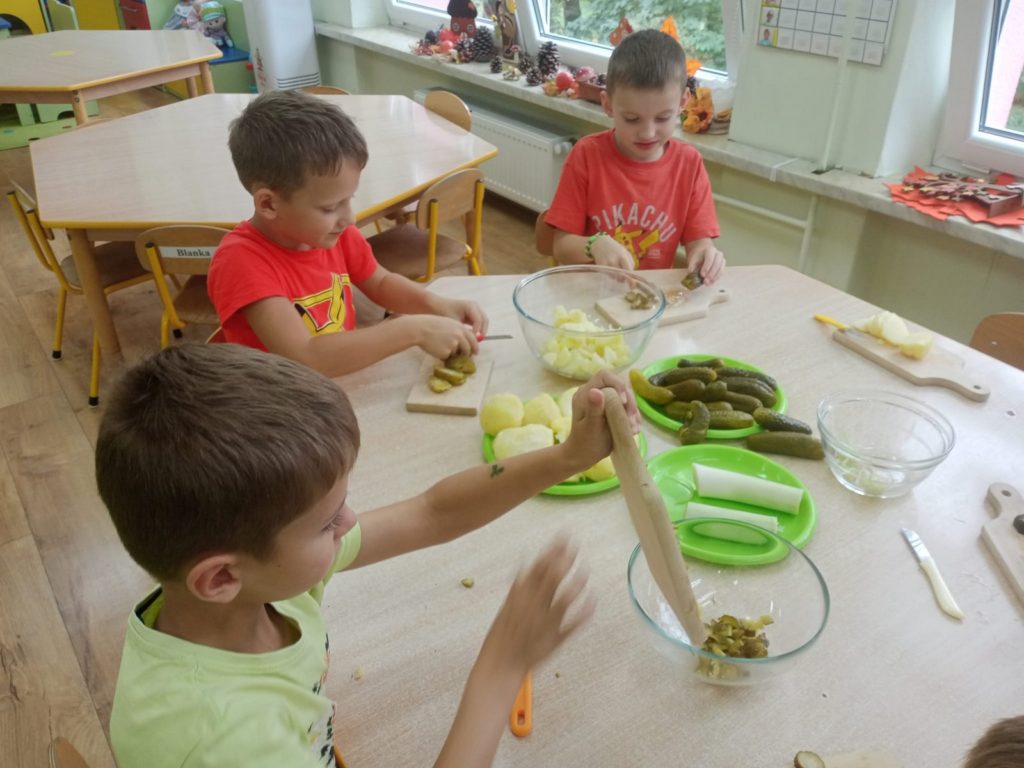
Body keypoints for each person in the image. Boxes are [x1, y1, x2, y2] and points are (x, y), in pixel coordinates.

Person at [97, 343, 639, 768]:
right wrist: (503, 666)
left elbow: (432, 512)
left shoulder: (257, 585)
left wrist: (567, 456)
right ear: (219, 578)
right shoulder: (223, 740)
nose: (350, 522)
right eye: (326, 522)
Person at [207, 90, 487, 378]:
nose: (350, 218)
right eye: (330, 207)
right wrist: (411, 330)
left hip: (336, 382)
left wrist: (437, 305)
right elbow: (307, 356)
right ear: (268, 204)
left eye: (348, 200)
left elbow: (380, 282)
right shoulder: (240, 261)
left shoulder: (332, 234)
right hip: (280, 397)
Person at [543, 29, 726, 281]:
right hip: (591, 291)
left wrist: (705, 255)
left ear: (683, 102)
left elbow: (699, 242)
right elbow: (561, 246)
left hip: (652, 293)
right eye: (631, 118)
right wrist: (594, 244)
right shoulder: (587, 155)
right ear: (607, 105)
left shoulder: (689, 164)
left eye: (662, 118)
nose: (647, 133)